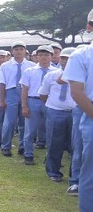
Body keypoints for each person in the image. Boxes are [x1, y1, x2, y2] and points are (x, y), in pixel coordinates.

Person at [64, 8, 93, 212]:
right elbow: (76, 92)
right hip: (91, 114)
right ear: (90, 27)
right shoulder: (82, 56)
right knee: (90, 173)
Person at [39, 47, 76, 182]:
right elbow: (43, 94)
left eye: (69, 58)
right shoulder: (51, 75)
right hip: (55, 112)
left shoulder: (81, 76)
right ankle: (53, 172)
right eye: (63, 58)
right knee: (54, 143)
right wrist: (53, 106)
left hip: (74, 113)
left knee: (75, 145)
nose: (65, 61)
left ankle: (75, 174)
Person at [20, 45, 57, 165]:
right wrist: (24, 106)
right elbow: (24, 90)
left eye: (46, 55)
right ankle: (28, 154)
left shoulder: (56, 72)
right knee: (30, 130)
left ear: (51, 56)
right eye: (40, 55)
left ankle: (50, 156)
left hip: (50, 102)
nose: (43, 57)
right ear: (36, 56)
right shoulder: (29, 71)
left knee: (51, 130)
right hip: (33, 101)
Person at [0, 42, 35, 157]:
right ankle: (6, 146)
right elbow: (2, 83)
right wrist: (2, 99)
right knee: (9, 122)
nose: (19, 51)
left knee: (25, 121)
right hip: (11, 92)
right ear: (12, 51)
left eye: (21, 49)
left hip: (26, 92)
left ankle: (23, 146)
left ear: (25, 51)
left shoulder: (31, 65)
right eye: (16, 49)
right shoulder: (5, 65)